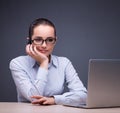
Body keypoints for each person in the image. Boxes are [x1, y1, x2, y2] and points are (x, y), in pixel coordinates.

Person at [9, 18, 87, 107]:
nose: (44, 45)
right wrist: (44, 63)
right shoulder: (17, 63)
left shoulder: (64, 63)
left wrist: (54, 99)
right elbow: (34, 99)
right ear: (29, 41)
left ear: (55, 41)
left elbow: (83, 95)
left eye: (50, 40)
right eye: (38, 39)